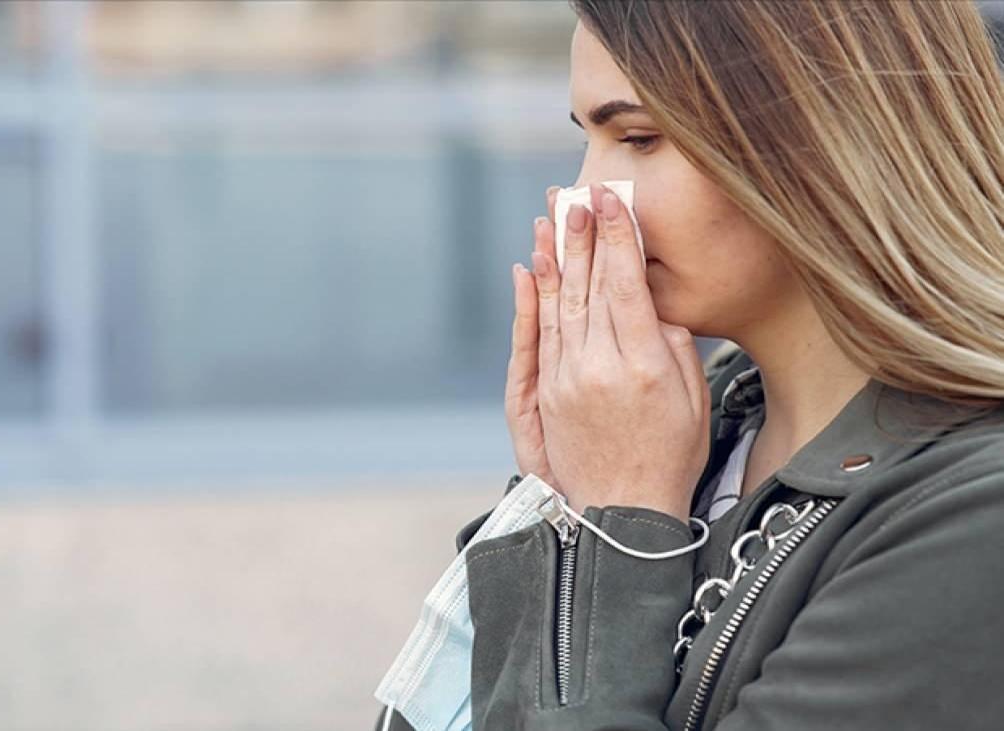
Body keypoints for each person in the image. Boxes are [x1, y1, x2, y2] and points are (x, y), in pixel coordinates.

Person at [375, 1, 1004, 729]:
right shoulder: (681, 436)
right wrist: (560, 503)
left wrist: (615, 526)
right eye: (587, 140)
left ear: (833, 144)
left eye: (639, 137)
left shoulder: (972, 515)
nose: (581, 198)